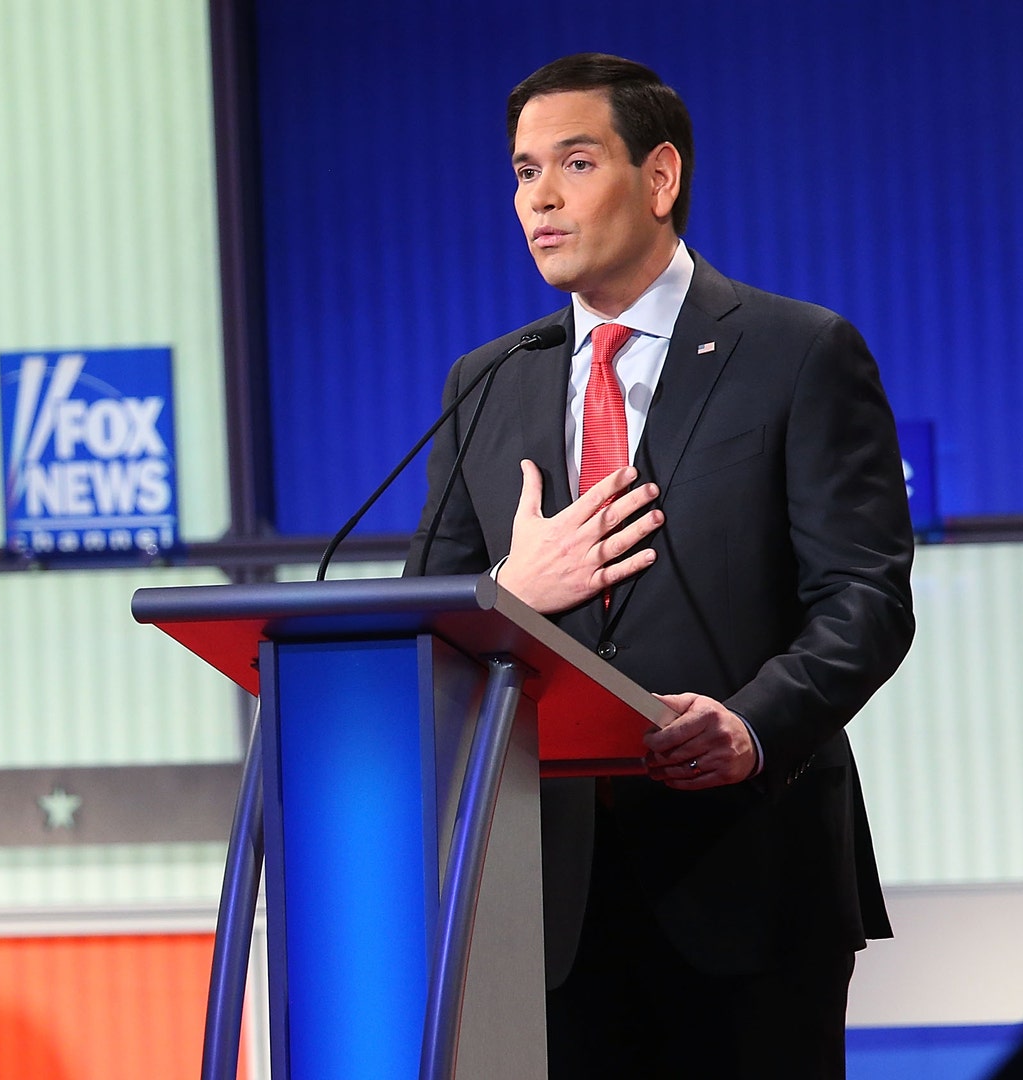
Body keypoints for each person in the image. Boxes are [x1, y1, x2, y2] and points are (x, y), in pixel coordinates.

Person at [407, 54, 914, 1077]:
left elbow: (863, 597)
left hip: (748, 873)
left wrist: (753, 727)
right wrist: (512, 596)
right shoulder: (487, 381)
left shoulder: (798, 351)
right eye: (523, 172)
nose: (539, 198)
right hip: (542, 896)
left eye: (574, 163)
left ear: (660, 177)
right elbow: (430, 625)